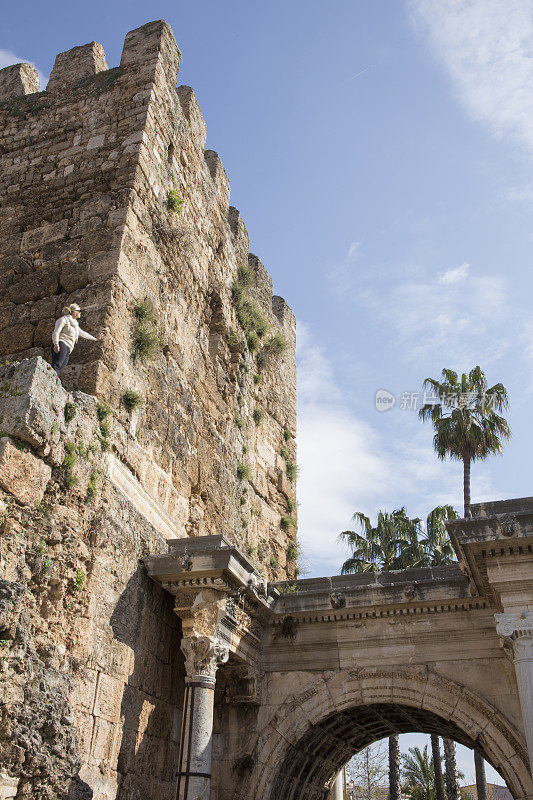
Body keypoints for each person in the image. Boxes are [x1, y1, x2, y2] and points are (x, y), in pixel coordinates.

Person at [51, 303, 102, 375]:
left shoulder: (75, 325)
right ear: (74, 312)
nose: (80, 313)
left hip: (69, 348)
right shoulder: (63, 320)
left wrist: (95, 339)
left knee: (60, 370)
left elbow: (83, 334)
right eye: (79, 311)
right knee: (56, 366)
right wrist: (56, 344)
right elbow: (56, 332)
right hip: (61, 344)